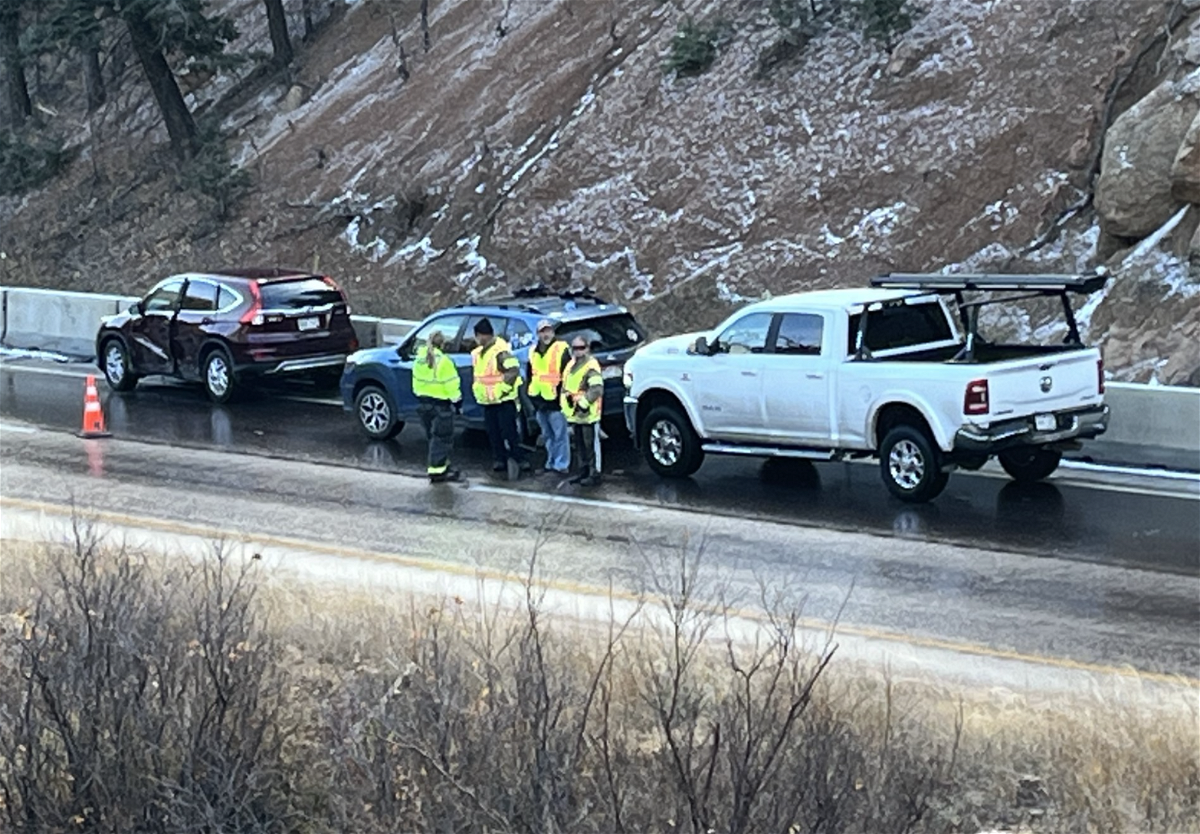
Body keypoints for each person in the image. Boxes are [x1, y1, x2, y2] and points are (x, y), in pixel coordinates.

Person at [470, 317, 529, 480]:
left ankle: (519, 459)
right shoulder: (478, 353)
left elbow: (513, 371)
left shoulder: (500, 351)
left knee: (509, 432)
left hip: (503, 400)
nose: (476, 340)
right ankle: (499, 459)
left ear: (482, 335)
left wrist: (501, 390)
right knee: (493, 432)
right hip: (488, 401)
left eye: (478, 336)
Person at [411, 330, 463, 483]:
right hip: (441, 406)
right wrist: (458, 403)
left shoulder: (419, 360)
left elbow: (415, 384)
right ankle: (437, 470)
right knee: (442, 439)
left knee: (433, 438)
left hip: (424, 404)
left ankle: (442, 466)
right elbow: (452, 386)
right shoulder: (444, 362)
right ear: (442, 344)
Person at [526, 318, 571, 476]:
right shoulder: (533, 352)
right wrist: (532, 399)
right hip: (540, 401)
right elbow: (531, 375)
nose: (546, 334)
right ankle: (551, 462)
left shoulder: (561, 349)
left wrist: (564, 399)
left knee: (560, 435)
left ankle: (561, 464)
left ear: (553, 332)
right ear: (538, 334)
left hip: (556, 402)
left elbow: (567, 376)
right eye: (542, 331)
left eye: (548, 330)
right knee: (547, 436)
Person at [560, 332, 605, 487]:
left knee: (590, 446)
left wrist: (583, 404)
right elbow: (566, 387)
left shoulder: (591, 365)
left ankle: (594, 474)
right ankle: (583, 471)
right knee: (579, 446)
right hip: (574, 414)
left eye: (581, 348)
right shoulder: (571, 365)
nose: (578, 351)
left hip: (588, 414)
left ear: (587, 349)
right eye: (575, 348)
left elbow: (597, 389)